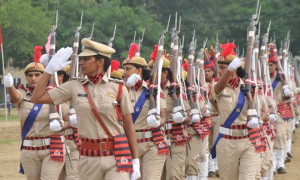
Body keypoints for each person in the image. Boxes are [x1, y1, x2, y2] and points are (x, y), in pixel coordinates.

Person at [30, 38, 140, 180]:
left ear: (100, 61)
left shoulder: (118, 88)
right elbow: (36, 98)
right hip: (88, 159)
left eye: (87, 59)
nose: (81, 62)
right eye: (81, 58)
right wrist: (48, 71)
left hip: (116, 156)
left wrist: (135, 160)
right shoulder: (73, 86)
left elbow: (128, 124)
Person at [4, 60, 68, 180]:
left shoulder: (55, 93)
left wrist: (61, 125)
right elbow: (15, 96)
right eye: (30, 75)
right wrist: (10, 86)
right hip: (29, 150)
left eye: (37, 75)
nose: (33, 78)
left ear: (44, 77)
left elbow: (68, 119)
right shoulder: (22, 94)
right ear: (26, 78)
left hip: (52, 148)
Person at [210, 42, 264, 180]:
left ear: (235, 70)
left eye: (223, 68)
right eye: (219, 67)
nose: (219, 71)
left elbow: (259, 110)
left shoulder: (249, 86)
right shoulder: (216, 86)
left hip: (249, 140)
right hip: (227, 141)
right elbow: (217, 90)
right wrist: (228, 70)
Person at [122, 43, 168, 179]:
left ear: (139, 71)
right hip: (128, 144)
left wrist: (158, 122)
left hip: (151, 143)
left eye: (128, 69)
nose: (124, 72)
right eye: (124, 69)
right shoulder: (119, 90)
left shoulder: (153, 90)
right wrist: (124, 89)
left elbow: (164, 116)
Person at [268, 43, 293, 174]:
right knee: (269, 138)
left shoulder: (281, 79)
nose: (269, 67)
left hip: (280, 111)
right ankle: (270, 164)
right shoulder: (263, 79)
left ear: (276, 66)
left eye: (271, 65)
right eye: (268, 65)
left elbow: (289, 96)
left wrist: (284, 84)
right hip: (267, 112)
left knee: (281, 135)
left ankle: (280, 163)